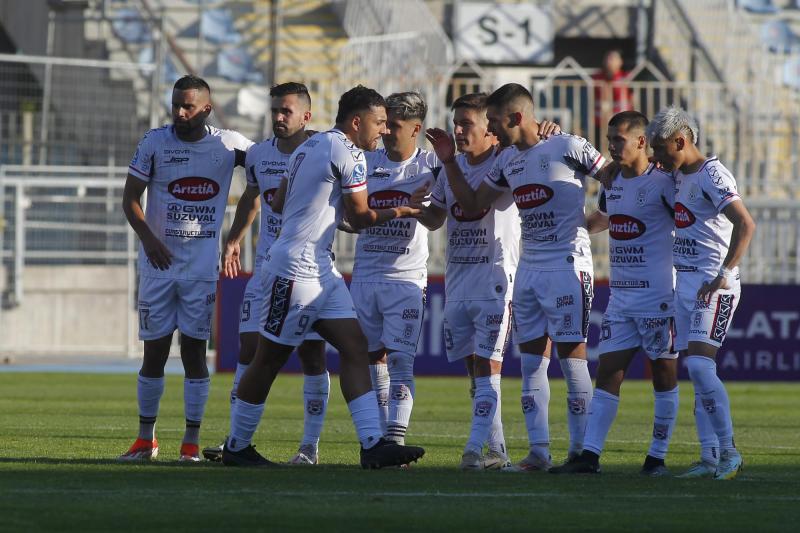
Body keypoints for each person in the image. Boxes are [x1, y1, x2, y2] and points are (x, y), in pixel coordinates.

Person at [222, 85, 425, 468]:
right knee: (268, 359)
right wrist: (405, 210)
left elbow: (279, 201)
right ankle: (236, 445)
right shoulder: (347, 152)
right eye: (379, 122)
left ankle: (372, 445)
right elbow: (364, 217)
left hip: (320, 266)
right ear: (356, 121)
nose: (382, 131)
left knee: (354, 347)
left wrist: (321, 212)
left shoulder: (308, 147)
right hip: (297, 269)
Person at [426, 83, 605, 471]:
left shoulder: (567, 145)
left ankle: (582, 453)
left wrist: (605, 218)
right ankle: (539, 452)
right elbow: (473, 203)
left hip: (567, 266)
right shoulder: (508, 162)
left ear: (515, 117)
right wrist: (450, 163)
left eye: (494, 120)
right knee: (530, 365)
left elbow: (618, 178)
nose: (492, 128)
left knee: (572, 357)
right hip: (528, 270)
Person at [119, 75, 254, 462]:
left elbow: (267, 167)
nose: (179, 112)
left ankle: (191, 443)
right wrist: (148, 238)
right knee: (154, 354)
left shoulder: (228, 144)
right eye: (176, 104)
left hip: (200, 271)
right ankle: (146, 440)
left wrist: (236, 234)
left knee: (195, 354)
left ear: (206, 109)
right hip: (157, 267)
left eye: (188, 106)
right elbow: (130, 198)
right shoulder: (155, 142)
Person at [202, 82, 329, 465]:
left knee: (311, 355)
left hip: (309, 270)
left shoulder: (324, 151)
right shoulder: (258, 154)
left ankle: (309, 447)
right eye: (274, 110)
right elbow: (251, 199)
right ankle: (236, 440)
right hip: (265, 272)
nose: (278, 117)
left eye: (286, 111)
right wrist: (235, 239)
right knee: (248, 350)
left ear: (306, 116)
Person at [550, 111, 679, 476]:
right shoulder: (612, 181)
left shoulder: (665, 183)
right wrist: (562, 227)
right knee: (607, 375)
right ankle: (590, 456)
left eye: (618, 139)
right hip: (622, 298)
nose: (610, 146)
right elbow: (605, 219)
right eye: (608, 139)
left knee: (664, 376)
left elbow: (689, 222)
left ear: (641, 142)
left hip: (659, 297)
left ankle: (657, 457)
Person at [647, 106, 755, 480]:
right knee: (697, 370)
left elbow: (745, 223)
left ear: (681, 140)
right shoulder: (678, 176)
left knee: (699, 364)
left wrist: (725, 273)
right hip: (686, 282)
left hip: (714, 283)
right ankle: (709, 457)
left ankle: (729, 452)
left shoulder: (712, 174)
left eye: (660, 149)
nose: (656, 157)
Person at [412, 92, 518, 469]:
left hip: (494, 280)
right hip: (458, 281)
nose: (457, 131)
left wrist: (447, 164)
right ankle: (498, 451)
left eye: (466, 124)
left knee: (489, 366)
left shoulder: (506, 162)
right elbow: (437, 218)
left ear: (491, 131)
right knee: (475, 370)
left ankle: (473, 451)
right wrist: (411, 207)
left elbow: (473, 203)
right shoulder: (451, 168)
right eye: (455, 123)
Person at [348, 91, 440, 445]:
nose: (386, 131)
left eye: (395, 126)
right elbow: (351, 217)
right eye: (385, 124)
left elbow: (436, 221)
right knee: (372, 358)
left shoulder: (431, 166)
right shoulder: (364, 162)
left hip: (405, 279)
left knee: (401, 359)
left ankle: (396, 439)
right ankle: (382, 437)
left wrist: (419, 211)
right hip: (366, 275)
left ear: (416, 128)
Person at [592, 50, 634, 133]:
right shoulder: (597, 78)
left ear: (620, 62)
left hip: (622, 122)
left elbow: (632, 99)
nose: (609, 62)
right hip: (600, 122)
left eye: (612, 59)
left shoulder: (626, 78)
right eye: (607, 59)